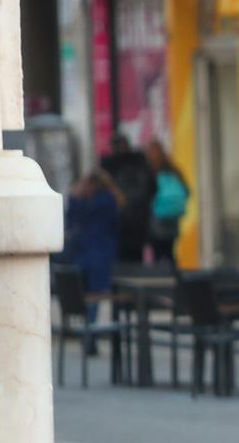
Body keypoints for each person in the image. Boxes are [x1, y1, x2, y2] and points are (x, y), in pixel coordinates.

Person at [66, 169, 124, 339]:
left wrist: (75, 195)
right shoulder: (110, 200)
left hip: (87, 254)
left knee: (88, 294)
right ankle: (90, 332)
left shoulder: (86, 203)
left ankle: (88, 333)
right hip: (101, 254)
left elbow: (72, 220)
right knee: (94, 295)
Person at [101, 135, 157, 264]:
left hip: (122, 220)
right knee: (135, 257)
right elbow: (153, 189)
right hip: (138, 219)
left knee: (124, 258)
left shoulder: (111, 167)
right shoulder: (141, 164)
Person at [145, 139, 189, 266]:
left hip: (156, 217)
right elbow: (186, 191)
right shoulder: (174, 170)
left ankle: (160, 278)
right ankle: (173, 276)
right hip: (173, 217)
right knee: (169, 251)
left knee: (158, 251)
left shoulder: (149, 171)